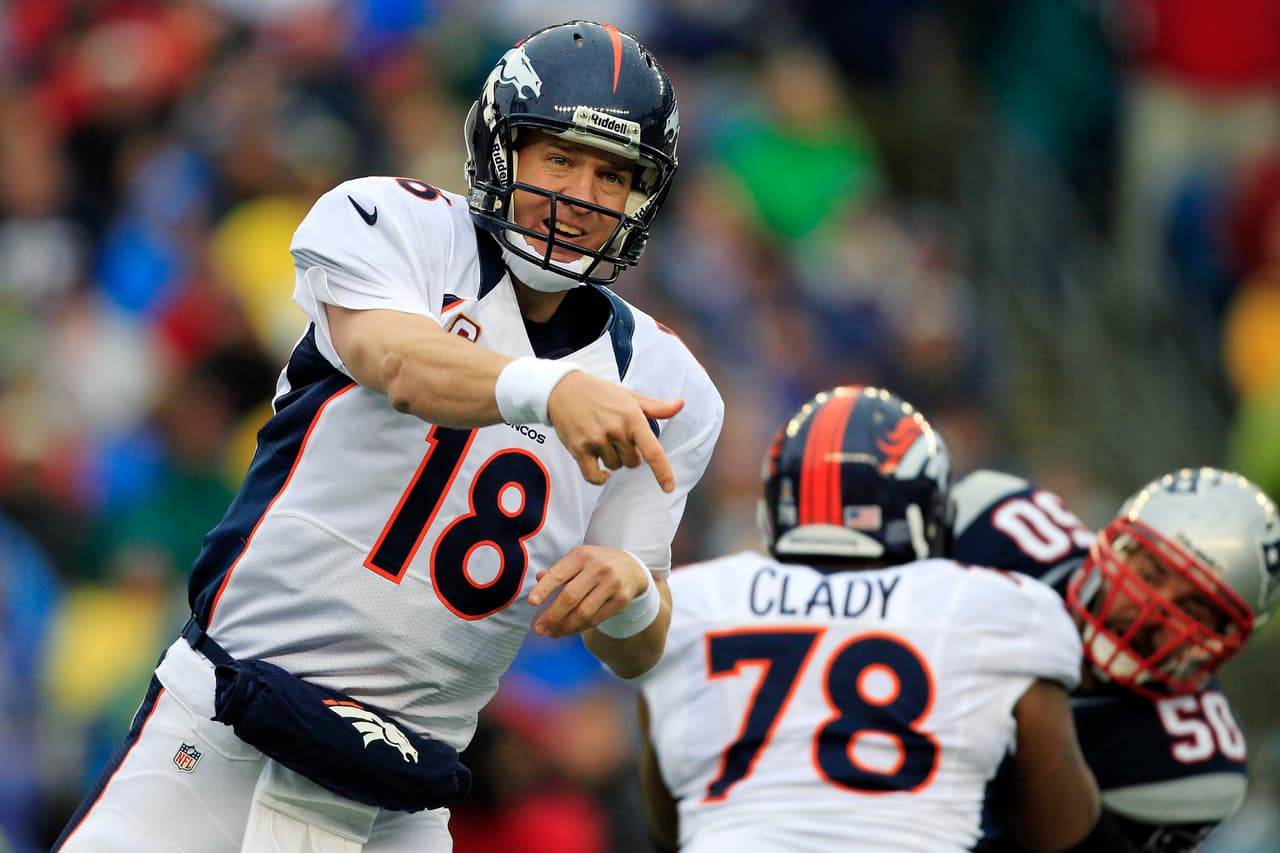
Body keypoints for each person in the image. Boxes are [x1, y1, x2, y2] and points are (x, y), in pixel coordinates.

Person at [55, 20, 723, 853]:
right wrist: (550, 390)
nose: (583, 194)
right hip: (224, 725)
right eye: (559, 157)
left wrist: (628, 591)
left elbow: (635, 638)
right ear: (500, 149)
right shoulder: (395, 224)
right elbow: (399, 363)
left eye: (612, 173)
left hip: (398, 795)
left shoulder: (669, 381)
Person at [635, 385, 1134, 853]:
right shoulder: (999, 610)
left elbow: (667, 826)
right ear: (926, 510)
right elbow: (1061, 833)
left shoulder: (694, 602)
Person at [950, 466, 1280, 853]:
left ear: (1223, 639)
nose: (1154, 609)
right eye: (1152, 571)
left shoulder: (1192, 763)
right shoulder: (997, 524)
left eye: (1192, 606)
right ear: (1116, 544)